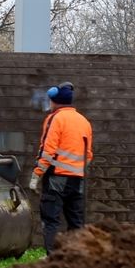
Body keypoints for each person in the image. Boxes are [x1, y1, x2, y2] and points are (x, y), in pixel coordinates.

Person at [29, 81, 93, 255]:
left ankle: (52, 258)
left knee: (51, 220)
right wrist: (76, 170)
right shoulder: (84, 121)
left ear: (55, 101)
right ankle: (77, 259)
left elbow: (48, 151)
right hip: (77, 179)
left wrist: (36, 175)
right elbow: (88, 155)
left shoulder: (55, 119)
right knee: (76, 222)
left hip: (56, 177)